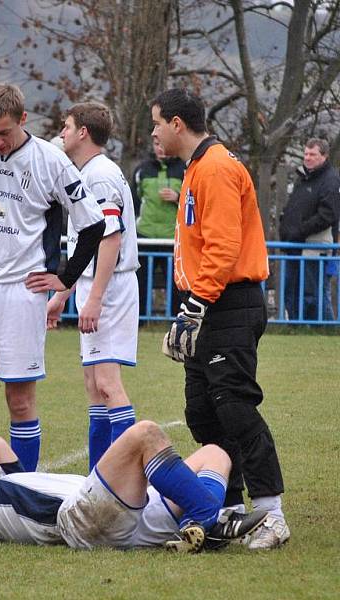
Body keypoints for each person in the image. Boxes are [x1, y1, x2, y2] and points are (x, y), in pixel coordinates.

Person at [0, 83, 105, 473]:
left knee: (20, 401)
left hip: (21, 292)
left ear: (23, 120)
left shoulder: (51, 160)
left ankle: (22, 496)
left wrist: (64, 278)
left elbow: (93, 223)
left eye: (4, 132)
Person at [152, 88, 289, 549]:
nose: (153, 132)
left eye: (157, 123)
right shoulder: (197, 167)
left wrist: (195, 306)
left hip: (227, 302)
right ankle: (228, 508)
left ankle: (271, 513)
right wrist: (189, 306)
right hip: (209, 302)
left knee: (234, 405)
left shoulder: (215, 167)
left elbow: (224, 246)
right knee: (201, 409)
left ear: (177, 124)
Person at [0, 421, 270, 553]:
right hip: (81, 519)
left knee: (215, 453)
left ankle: (194, 529)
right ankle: (211, 516)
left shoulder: (0, 492)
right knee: (145, 434)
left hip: (118, 514)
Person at [46, 102, 139, 471]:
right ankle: (99, 475)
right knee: (93, 385)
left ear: (83, 131)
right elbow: (85, 242)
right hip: (93, 284)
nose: (62, 133)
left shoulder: (100, 175)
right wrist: (63, 295)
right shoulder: (87, 172)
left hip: (110, 287)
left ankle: (121, 475)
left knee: (106, 383)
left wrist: (95, 299)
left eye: (66, 126)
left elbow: (109, 240)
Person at [279, 138, 340, 322]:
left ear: (324, 156)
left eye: (313, 154)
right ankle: (295, 326)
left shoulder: (330, 180)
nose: (307, 158)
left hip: (314, 246)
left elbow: (328, 215)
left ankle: (325, 328)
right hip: (294, 244)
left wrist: (299, 230)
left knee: (313, 292)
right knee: (292, 290)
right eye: (306, 154)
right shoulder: (303, 178)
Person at [132, 138, 187, 319]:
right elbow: (135, 199)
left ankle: (176, 321)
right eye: (157, 145)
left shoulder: (185, 169)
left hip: (172, 236)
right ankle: (137, 320)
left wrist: (178, 197)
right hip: (145, 235)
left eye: (164, 144)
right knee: (138, 282)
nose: (160, 149)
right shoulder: (142, 170)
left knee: (176, 284)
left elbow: (195, 200)